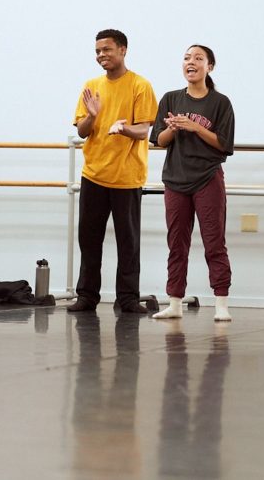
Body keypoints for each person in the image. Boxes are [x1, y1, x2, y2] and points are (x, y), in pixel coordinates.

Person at [68, 29, 157, 313]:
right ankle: (87, 296)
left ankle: (128, 298)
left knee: (128, 244)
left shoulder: (140, 85)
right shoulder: (91, 86)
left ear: (123, 50)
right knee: (89, 240)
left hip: (127, 178)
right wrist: (92, 116)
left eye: (106, 49)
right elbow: (82, 131)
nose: (101, 55)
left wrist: (124, 128)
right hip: (93, 175)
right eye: (97, 51)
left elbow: (144, 131)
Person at [150, 45, 235, 322]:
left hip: (207, 178)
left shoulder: (220, 102)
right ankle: (174, 302)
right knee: (176, 242)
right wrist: (173, 129)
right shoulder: (171, 98)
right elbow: (159, 141)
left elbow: (224, 144)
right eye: (187, 58)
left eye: (198, 58)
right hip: (175, 179)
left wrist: (196, 127)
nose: (191, 62)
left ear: (210, 66)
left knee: (214, 242)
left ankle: (221, 303)